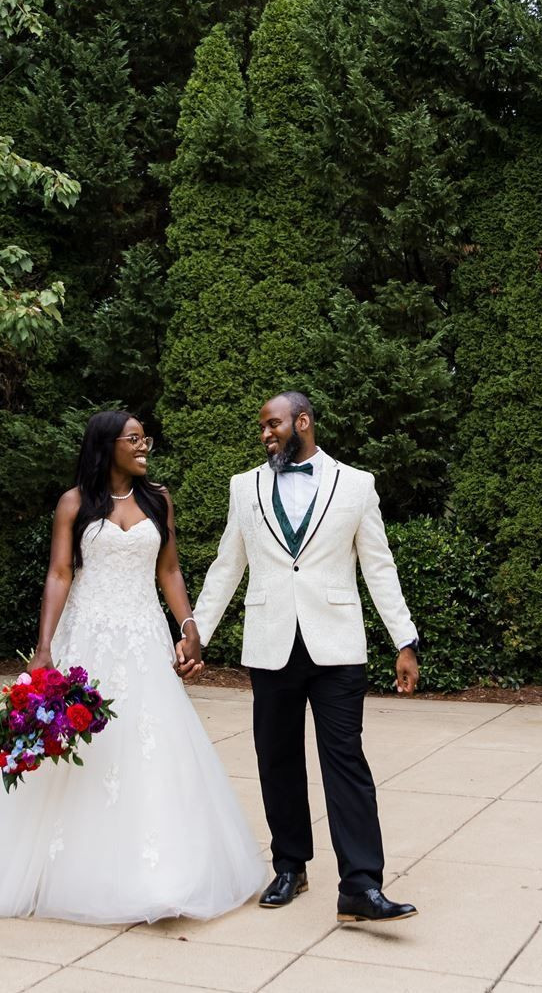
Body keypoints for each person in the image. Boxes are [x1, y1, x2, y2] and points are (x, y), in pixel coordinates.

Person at [0, 409, 265, 923]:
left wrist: (189, 628)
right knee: (81, 743)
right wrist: (44, 647)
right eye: (134, 439)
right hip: (89, 638)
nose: (145, 447)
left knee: (154, 745)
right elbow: (59, 573)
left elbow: (169, 570)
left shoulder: (158, 500)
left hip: (144, 637)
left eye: (146, 439)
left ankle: (165, 870)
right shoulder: (74, 504)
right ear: (108, 445)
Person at [181, 391, 421, 924]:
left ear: (303, 422)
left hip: (336, 646)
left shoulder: (356, 485)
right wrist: (196, 630)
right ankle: (290, 864)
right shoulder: (245, 488)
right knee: (277, 759)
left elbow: (379, 567)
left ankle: (360, 886)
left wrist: (404, 640)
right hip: (270, 643)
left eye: (273, 425)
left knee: (346, 762)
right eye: (262, 428)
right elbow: (227, 565)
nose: (265, 434)